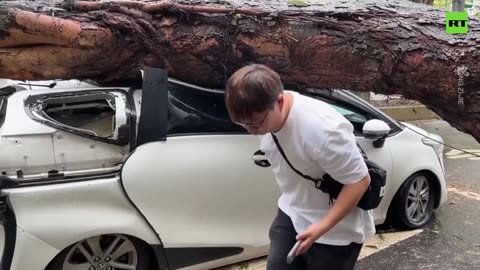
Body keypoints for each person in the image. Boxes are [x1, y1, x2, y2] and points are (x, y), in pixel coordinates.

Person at [224, 64, 375, 270]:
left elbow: (359, 181)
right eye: (244, 125)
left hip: (335, 230)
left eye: (256, 124)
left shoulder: (323, 130)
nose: (252, 132)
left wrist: (321, 227)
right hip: (293, 212)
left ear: (279, 100)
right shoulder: (265, 112)